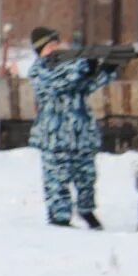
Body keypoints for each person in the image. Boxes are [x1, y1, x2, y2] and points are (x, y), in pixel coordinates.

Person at [27, 26, 114, 229]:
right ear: (40, 50)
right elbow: (59, 82)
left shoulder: (70, 66)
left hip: (81, 132)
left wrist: (105, 70)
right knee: (57, 179)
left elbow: (86, 86)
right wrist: (84, 64)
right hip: (54, 135)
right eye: (49, 46)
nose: (55, 49)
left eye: (57, 44)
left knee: (87, 176)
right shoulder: (39, 70)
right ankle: (60, 217)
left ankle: (86, 210)